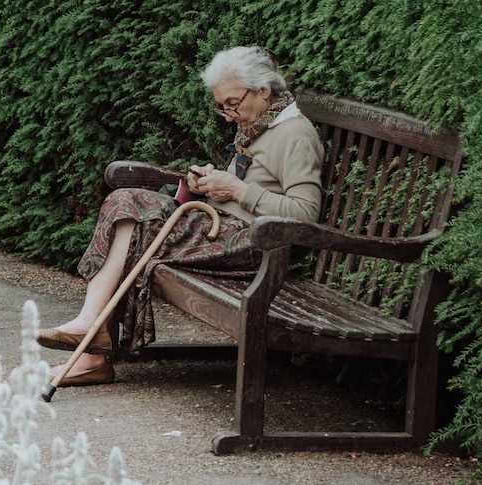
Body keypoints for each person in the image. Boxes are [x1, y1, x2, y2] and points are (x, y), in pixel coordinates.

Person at [37, 46, 325, 386]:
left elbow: (306, 215)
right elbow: (248, 185)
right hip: (222, 229)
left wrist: (236, 190)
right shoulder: (260, 123)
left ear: (263, 90)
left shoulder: (295, 134)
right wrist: (206, 185)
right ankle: (91, 338)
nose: (229, 114)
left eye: (233, 103)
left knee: (131, 210)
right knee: (126, 207)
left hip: (255, 246)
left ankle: (92, 346)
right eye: (222, 106)